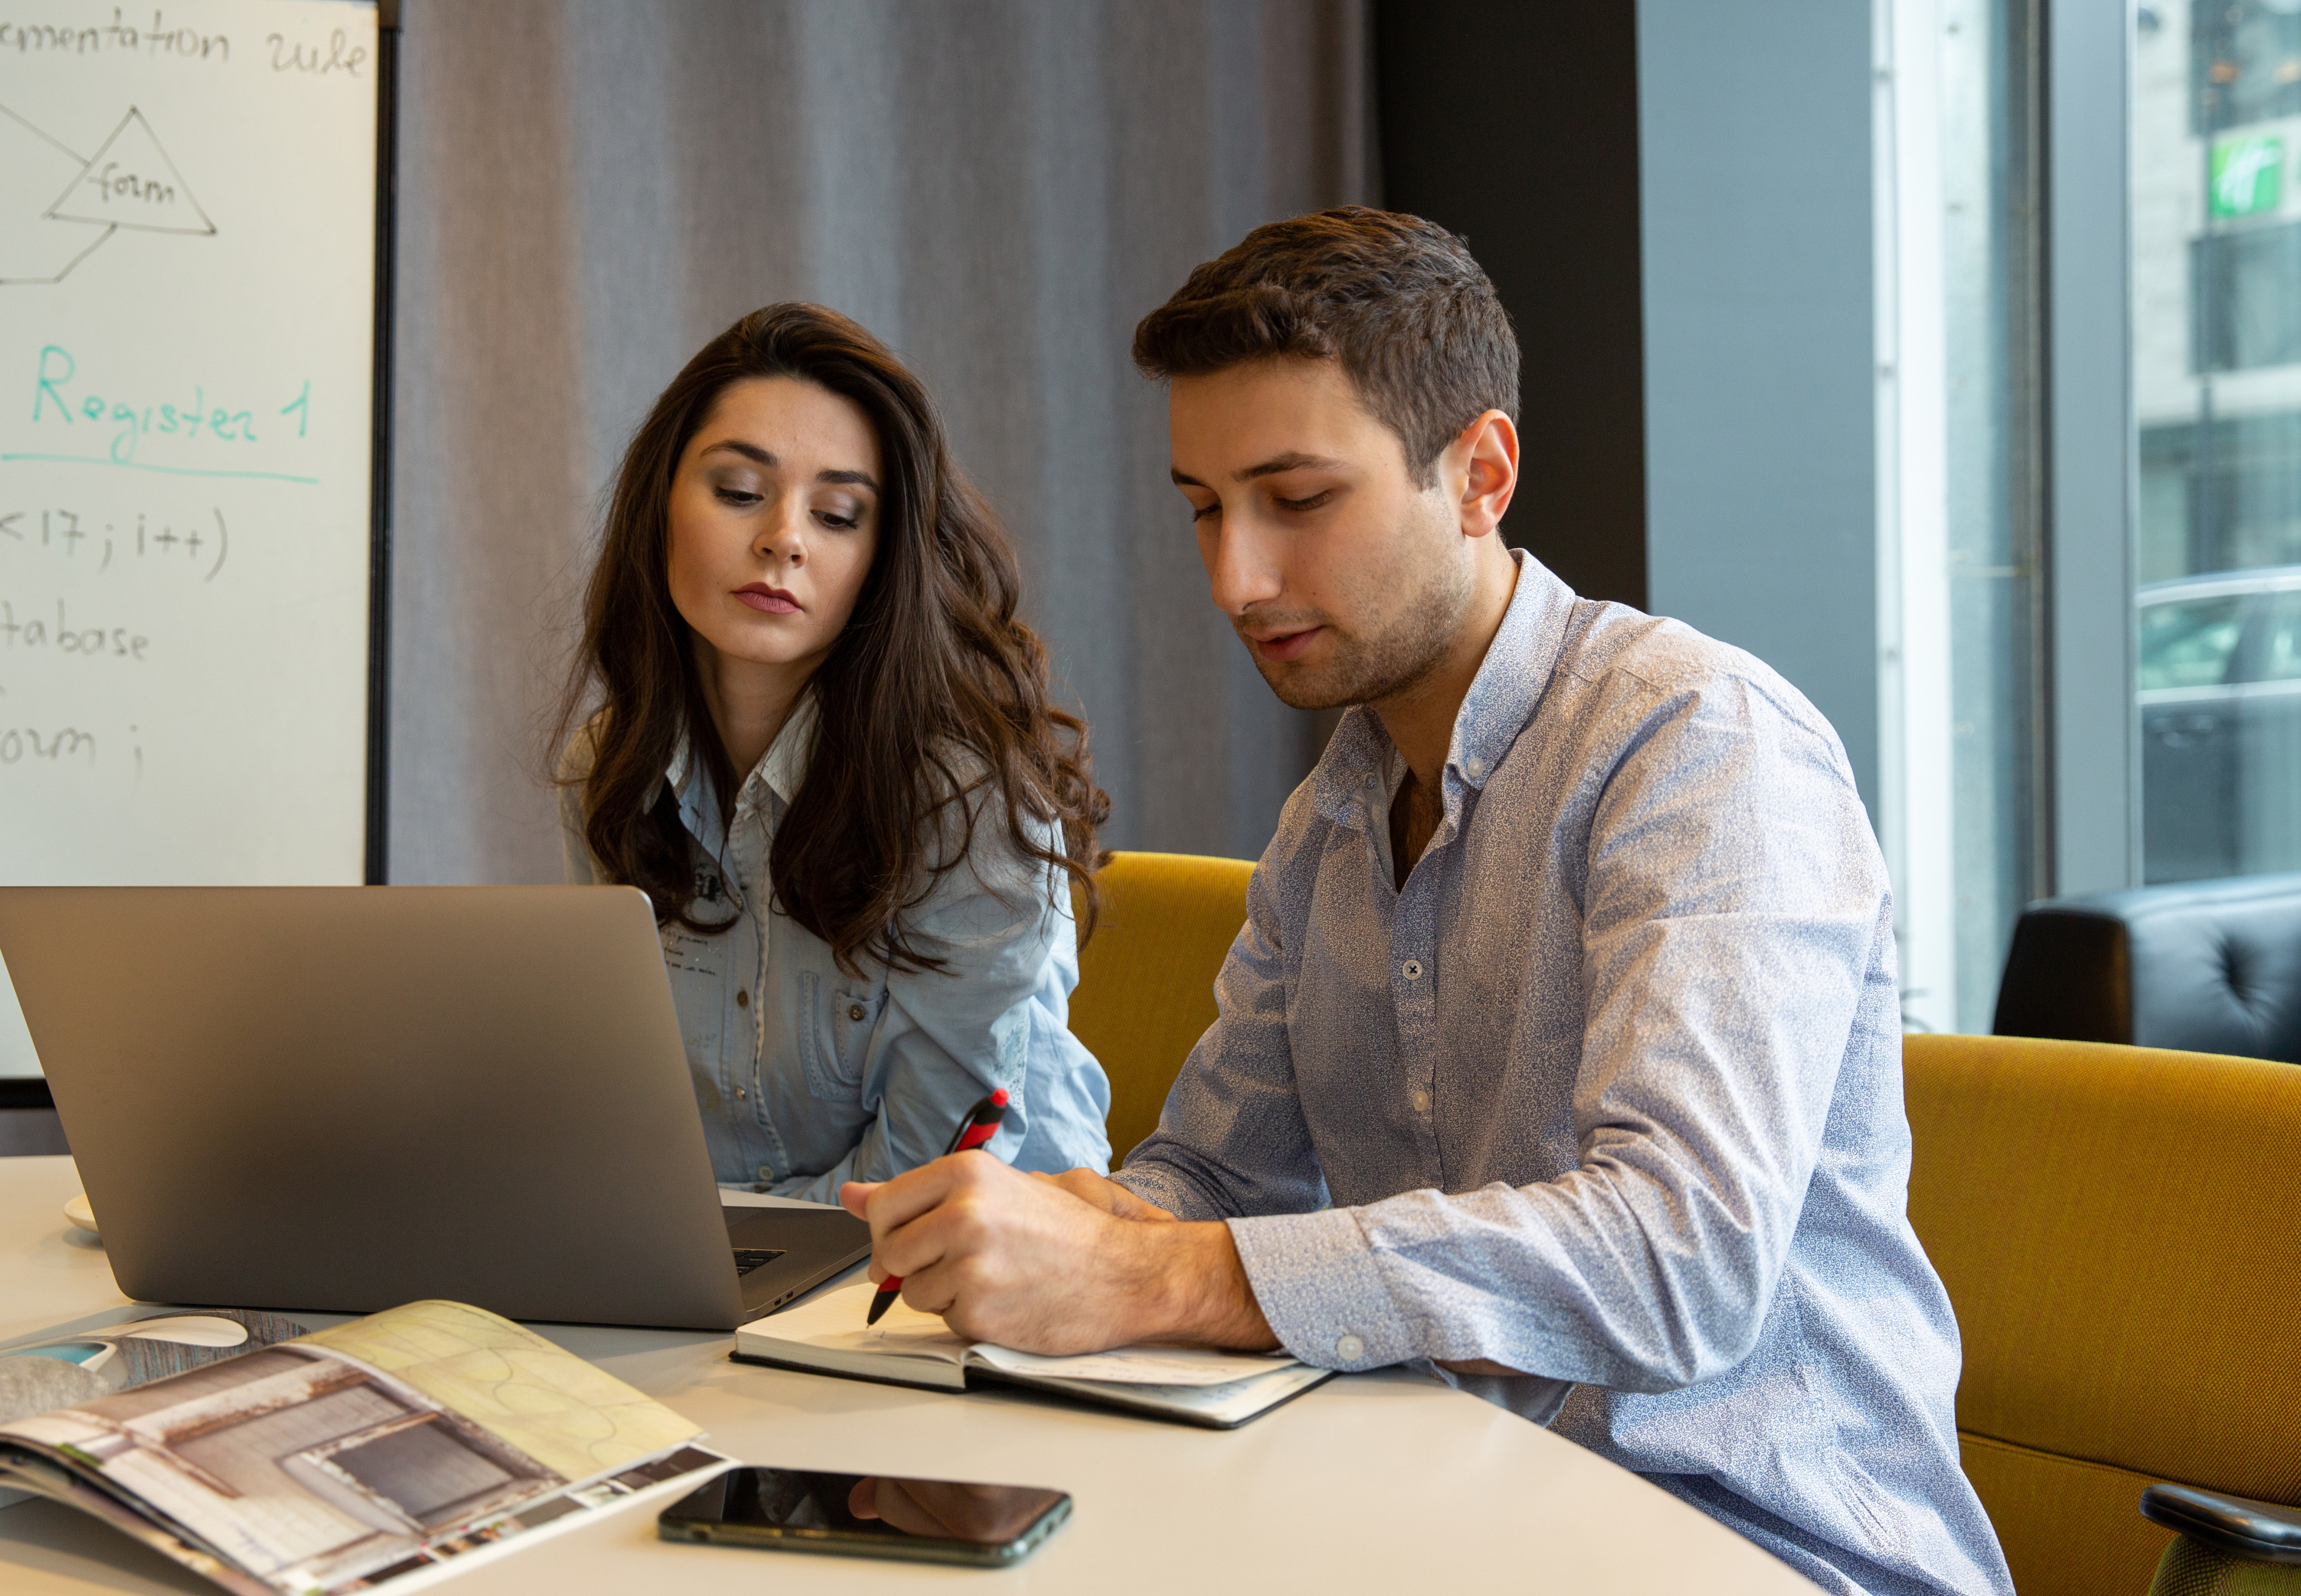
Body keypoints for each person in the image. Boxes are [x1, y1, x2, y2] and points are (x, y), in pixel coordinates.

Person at [839, 212, 2013, 1596]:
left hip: (1763, 1550)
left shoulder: (1699, 745)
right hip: (1448, 1519)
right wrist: (1066, 1224)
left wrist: (1153, 1278)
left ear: (1479, 473)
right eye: (1205, 507)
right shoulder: (1331, 815)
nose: (1235, 578)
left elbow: (1680, 1259)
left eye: (1296, 498)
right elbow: (1216, 1178)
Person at [556, 302, 1113, 1205]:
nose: (785, 537)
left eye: (840, 514)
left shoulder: (963, 800)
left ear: (885, 555)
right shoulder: (609, 767)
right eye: (739, 493)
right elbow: (629, 1105)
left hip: (964, 1297)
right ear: (659, 507)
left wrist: (711, 1247)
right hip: (724, 1282)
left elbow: (928, 1181)